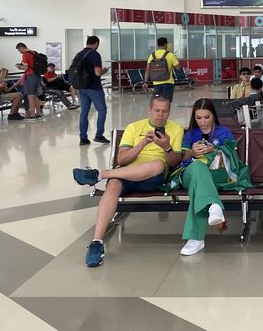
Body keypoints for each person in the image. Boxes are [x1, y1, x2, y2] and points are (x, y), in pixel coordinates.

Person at [72, 95, 183, 267]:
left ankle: (99, 174)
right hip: (126, 173)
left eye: (165, 111)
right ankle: (97, 242)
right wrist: (142, 144)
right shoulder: (134, 127)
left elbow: (174, 162)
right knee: (114, 184)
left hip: (152, 178)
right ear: (149, 110)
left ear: (169, 112)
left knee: (158, 164)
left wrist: (166, 146)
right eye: (156, 110)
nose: (160, 115)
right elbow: (122, 160)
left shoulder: (176, 130)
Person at [176, 98, 251, 255]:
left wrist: (215, 150)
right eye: (198, 118)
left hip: (218, 174)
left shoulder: (224, 132)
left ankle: (196, 239)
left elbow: (233, 159)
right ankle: (214, 205)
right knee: (197, 166)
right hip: (192, 173)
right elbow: (181, 159)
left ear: (213, 116)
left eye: (207, 117)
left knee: (198, 186)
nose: (202, 122)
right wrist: (191, 152)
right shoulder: (190, 134)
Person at [75, 35, 110, 145]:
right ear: (96, 43)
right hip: (94, 87)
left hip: (81, 87)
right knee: (102, 110)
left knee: (84, 112)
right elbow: (98, 72)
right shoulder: (95, 54)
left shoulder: (79, 54)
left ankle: (83, 138)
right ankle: (99, 135)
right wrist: (104, 70)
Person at [143, 37, 180, 101]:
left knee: (157, 103)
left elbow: (148, 69)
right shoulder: (170, 55)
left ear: (158, 45)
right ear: (166, 44)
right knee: (167, 102)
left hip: (156, 83)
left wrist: (145, 82)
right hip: (168, 82)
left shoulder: (152, 55)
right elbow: (178, 68)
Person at [15, 43, 42, 120]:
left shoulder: (25, 54)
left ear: (21, 48)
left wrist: (19, 67)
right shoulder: (34, 52)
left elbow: (26, 68)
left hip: (30, 76)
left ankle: (32, 114)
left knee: (30, 95)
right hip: (37, 75)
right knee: (35, 95)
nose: (19, 52)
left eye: (19, 50)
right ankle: (38, 113)